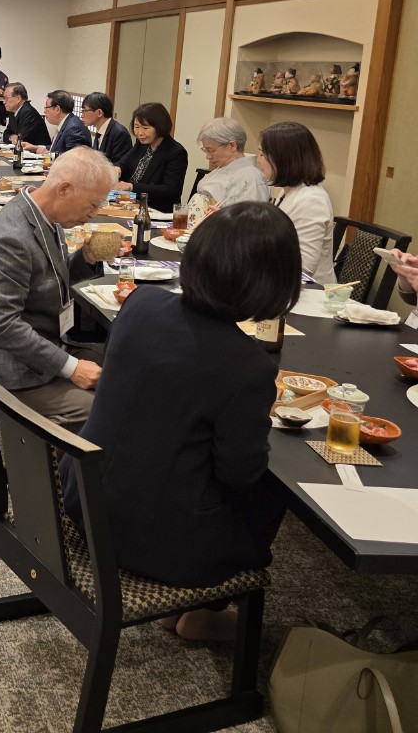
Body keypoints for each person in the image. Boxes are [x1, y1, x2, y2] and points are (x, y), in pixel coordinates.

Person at [62, 202, 298, 637]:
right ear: (273, 283)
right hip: (158, 542)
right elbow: (240, 473)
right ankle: (202, 610)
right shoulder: (248, 365)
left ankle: (189, 609)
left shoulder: (141, 303)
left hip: (85, 498)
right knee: (273, 488)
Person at [0, 147, 116, 428]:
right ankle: (48, 452)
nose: (94, 214)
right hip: (7, 363)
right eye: (92, 205)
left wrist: (84, 259)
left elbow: (49, 278)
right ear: (64, 189)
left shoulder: (42, 213)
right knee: (102, 411)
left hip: (43, 338)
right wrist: (72, 368)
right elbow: (3, 327)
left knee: (120, 373)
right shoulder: (11, 239)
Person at [257, 121, 337, 285]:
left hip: (310, 293)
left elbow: (303, 269)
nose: (258, 161)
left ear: (283, 158)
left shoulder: (311, 200)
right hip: (282, 285)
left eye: (262, 155)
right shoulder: (287, 192)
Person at [115, 102, 190, 213]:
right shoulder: (142, 143)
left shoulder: (176, 152)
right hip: (131, 204)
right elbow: (125, 161)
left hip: (156, 210)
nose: (140, 133)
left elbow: (170, 190)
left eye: (145, 128)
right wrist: (117, 169)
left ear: (160, 127)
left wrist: (132, 187)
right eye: (136, 127)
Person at [194, 117, 270, 207]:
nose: (208, 156)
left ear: (232, 145)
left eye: (211, 150)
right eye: (205, 150)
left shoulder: (253, 178)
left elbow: (250, 215)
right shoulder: (222, 168)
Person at [23, 90, 89, 157]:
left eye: (46, 107)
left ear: (57, 109)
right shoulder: (67, 123)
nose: (44, 111)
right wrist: (36, 147)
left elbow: (75, 158)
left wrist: (49, 155)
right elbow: (57, 148)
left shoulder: (73, 128)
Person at [80, 93, 133, 168]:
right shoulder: (100, 130)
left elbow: (119, 166)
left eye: (84, 111)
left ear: (99, 113)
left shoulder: (119, 133)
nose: (82, 115)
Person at [4, 83, 48, 149]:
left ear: (18, 99)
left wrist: (14, 138)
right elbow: (6, 134)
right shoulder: (13, 112)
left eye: (6, 98)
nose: (4, 102)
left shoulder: (28, 113)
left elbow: (22, 141)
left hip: (38, 152)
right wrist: (11, 137)